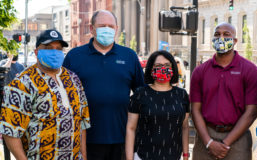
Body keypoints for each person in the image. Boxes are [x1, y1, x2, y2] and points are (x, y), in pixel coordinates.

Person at [63, 10, 144, 160]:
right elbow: (62, 95)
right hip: (85, 139)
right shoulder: (74, 56)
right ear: (92, 28)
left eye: (110, 26)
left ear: (116, 29)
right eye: (102, 25)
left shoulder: (129, 56)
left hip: (121, 138)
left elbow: (142, 93)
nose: (107, 29)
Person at [0, 29, 90, 159]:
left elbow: (82, 122)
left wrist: (84, 156)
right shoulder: (21, 84)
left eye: (58, 49)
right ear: (36, 52)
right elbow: (10, 132)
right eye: (48, 47)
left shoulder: (73, 79)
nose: (54, 52)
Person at [190, 22, 257, 160]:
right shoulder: (200, 71)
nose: (221, 37)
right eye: (217, 34)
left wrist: (225, 143)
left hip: (238, 139)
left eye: (226, 34)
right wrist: (209, 142)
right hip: (205, 137)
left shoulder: (250, 70)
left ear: (235, 41)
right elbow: (195, 110)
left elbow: (251, 113)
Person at [125, 50, 190, 160]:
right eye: (158, 65)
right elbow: (131, 128)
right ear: (151, 69)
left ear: (173, 68)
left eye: (167, 65)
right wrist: (129, 158)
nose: (163, 68)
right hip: (143, 156)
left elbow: (184, 128)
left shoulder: (182, 94)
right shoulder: (140, 94)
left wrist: (185, 156)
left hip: (174, 156)